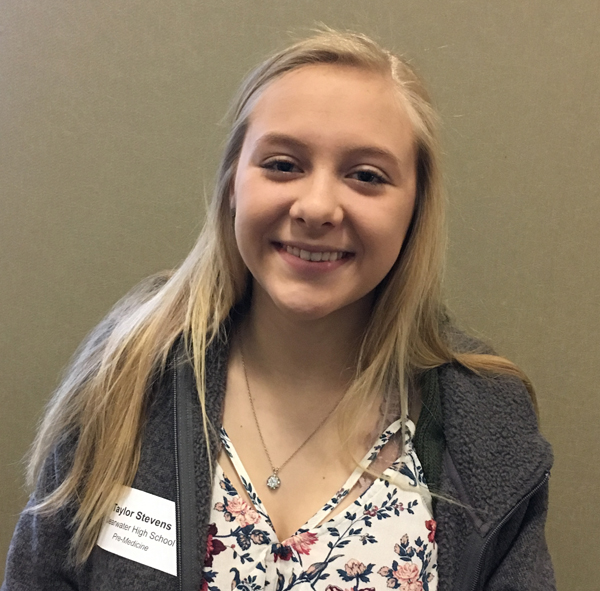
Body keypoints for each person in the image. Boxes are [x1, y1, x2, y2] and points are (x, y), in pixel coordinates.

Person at [2, 29, 555, 591]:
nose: (316, 207)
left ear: (416, 207)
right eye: (284, 165)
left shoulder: (486, 417)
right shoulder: (129, 370)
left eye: (366, 176)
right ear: (232, 185)